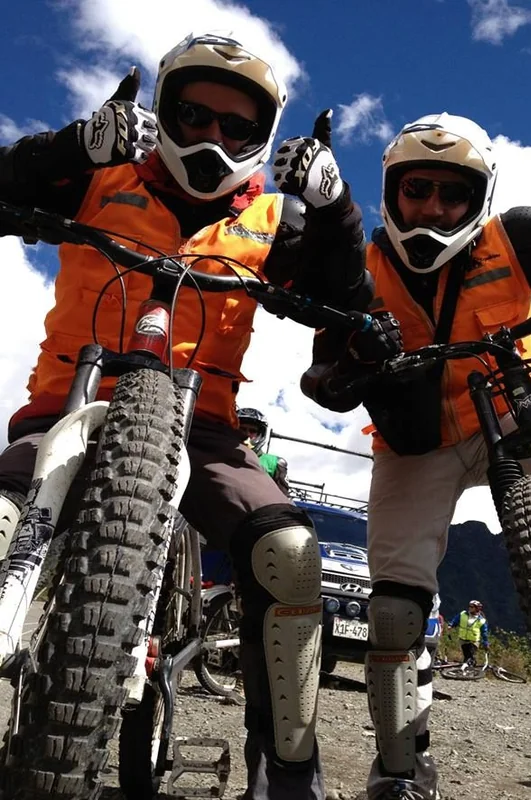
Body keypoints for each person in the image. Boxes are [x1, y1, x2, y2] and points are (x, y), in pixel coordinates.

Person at [0, 30, 378, 800]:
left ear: (262, 137)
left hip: (203, 424)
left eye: (236, 127)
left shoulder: (276, 218)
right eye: (193, 114)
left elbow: (345, 303)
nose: (213, 136)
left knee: (291, 554)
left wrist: (335, 210)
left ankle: (288, 774)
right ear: (161, 112)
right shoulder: (98, 176)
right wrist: (72, 144)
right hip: (64, 407)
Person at [301, 112, 531, 800]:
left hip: (517, 410)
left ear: (478, 198)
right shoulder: (359, 268)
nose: (433, 206)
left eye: (451, 193)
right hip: (414, 440)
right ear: (390, 192)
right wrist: (356, 361)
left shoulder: (518, 232)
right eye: (417, 189)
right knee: (395, 610)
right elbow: (324, 381)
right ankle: (401, 770)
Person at [237, 406, 289, 494]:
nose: (247, 434)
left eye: (252, 431)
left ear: (260, 434)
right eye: (242, 429)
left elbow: (283, 499)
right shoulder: (218, 455)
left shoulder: (275, 463)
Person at [447, 600, 489, 665]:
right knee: (466, 655)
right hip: (463, 639)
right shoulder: (463, 614)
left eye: (472, 607)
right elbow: (455, 620)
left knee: (470, 655)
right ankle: (469, 670)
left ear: (477, 608)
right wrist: (451, 625)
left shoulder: (481, 620)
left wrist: (485, 642)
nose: (470, 608)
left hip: (474, 641)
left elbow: (484, 632)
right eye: (469, 606)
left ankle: (470, 669)